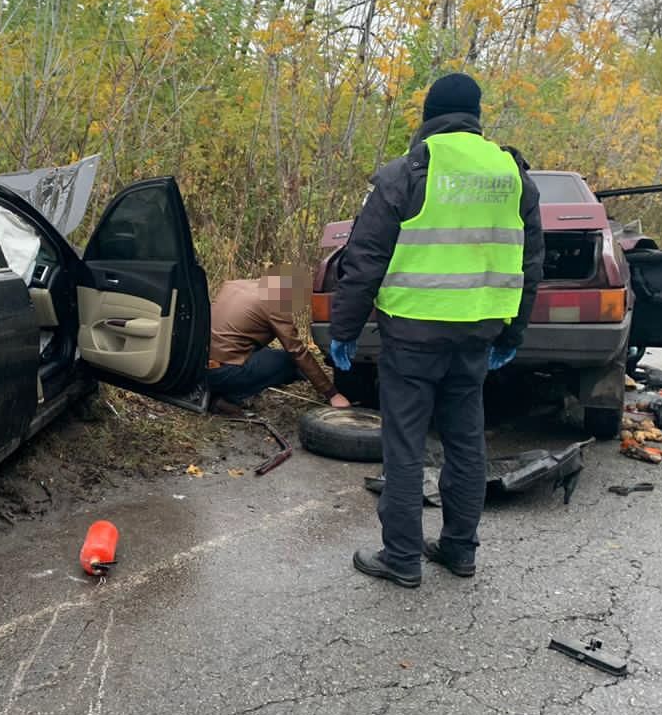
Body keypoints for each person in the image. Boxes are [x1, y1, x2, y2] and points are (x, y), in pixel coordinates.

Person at [328, 72, 544, 587]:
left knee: (404, 444)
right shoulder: (513, 174)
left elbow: (365, 260)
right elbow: (531, 263)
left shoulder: (409, 171)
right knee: (466, 440)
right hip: (477, 333)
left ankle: (401, 557)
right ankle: (459, 550)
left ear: (429, 116)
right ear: (476, 117)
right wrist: (512, 333)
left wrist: (345, 329)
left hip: (413, 333)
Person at [208, 270, 351, 413]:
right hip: (223, 373)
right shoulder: (275, 303)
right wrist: (331, 393)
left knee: (270, 353)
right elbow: (297, 352)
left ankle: (211, 391)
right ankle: (229, 397)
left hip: (199, 367)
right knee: (289, 361)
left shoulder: (233, 285)